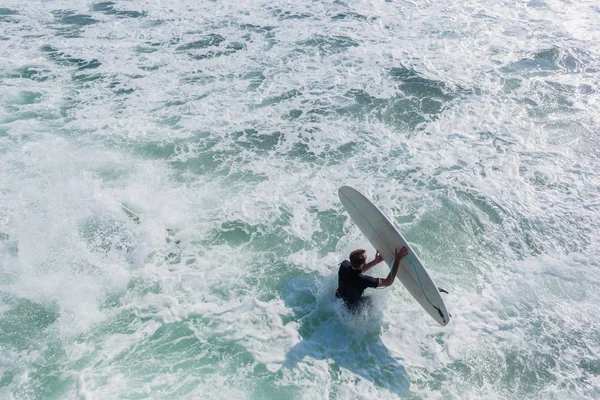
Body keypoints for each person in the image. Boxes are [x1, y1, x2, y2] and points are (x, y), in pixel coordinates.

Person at [335, 247, 409, 311]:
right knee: (370, 299)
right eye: (365, 259)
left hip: (338, 299)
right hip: (352, 308)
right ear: (361, 265)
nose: (366, 260)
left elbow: (357, 269)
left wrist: (375, 261)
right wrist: (397, 260)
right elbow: (388, 282)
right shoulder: (363, 280)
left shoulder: (344, 265)